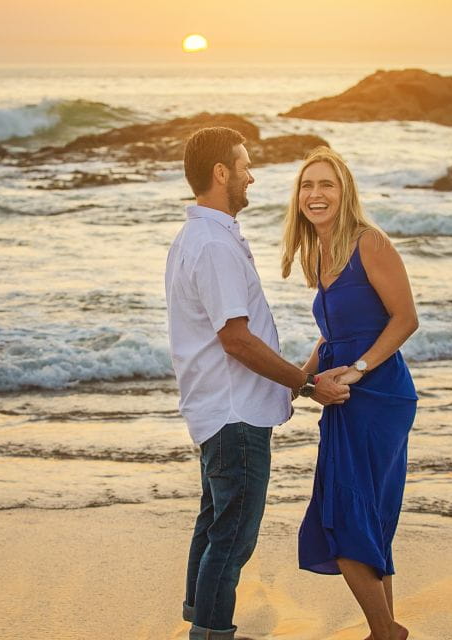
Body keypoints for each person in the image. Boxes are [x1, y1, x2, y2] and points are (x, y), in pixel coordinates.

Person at [166, 127, 351, 640]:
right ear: (221, 173)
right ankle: (210, 632)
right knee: (233, 534)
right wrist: (307, 386)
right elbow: (235, 340)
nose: (252, 175)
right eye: (244, 166)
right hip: (234, 415)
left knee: (214, 522)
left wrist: (302, 371)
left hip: (218, 407)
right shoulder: (212, 245)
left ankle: (200, 619)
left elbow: (231, 339)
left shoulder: (200, 236)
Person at [282, 147, 419, 640]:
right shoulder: (318, 252)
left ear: (345, 193)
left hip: (378, 396)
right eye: (307, 186)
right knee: (363, 515)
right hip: (341, 394)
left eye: (327, 186)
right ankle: (386, 630)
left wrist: (358, 370)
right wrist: (295, 382)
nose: (315, 195)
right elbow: (332, 335)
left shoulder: (370, 243)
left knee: (344, 516)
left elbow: (406, 319)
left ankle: (385, 634)